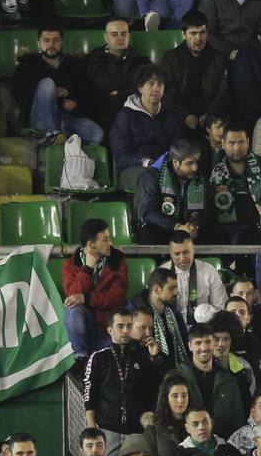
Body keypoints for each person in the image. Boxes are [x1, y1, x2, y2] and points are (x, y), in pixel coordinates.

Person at [11, 25, 103, 146]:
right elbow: (20, 96)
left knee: (97, 134)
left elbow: (86, 93)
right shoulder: (27, 65)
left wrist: (76, 104)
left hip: (66, 118)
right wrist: (50, 92)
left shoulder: (74, 65)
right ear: (39, 43)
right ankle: (53, 135)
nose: (51, 45)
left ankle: (74, 160)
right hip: (39, 118)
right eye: (46, 40)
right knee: (47, 84)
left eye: (56, 40)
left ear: (62, 42)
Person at [110, 64, 185, 193]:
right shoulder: (125, 116)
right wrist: (147, 162)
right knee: (150, 179)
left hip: (165, 168)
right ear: (140, 88)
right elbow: (121, 156)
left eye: (160, 84)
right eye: (151, 84)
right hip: (133, 168)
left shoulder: (171, 116)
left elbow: (177, 148)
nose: (156, 88)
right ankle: (147, 214)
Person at [62, 218, 128, 359]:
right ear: (92, 245)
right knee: (73, 309)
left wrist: (87, 298)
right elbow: (73, 298)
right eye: (105, 240)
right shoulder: (70, 264)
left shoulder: (118, 261)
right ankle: (80, 358)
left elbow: (116, 298)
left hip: (108, 332)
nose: (110, 243)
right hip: (85, 330)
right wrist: (87, 269)